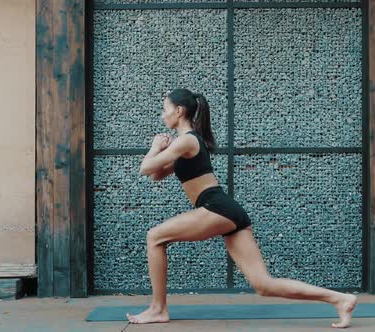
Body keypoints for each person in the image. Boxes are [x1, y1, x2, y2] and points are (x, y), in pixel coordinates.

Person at [126, 88, 358, 328]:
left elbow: (144, 169)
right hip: (226, 211)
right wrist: (162, 151)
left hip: (215, 206)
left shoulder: (187, 140)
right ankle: (341, 299)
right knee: (264, 285)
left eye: (164, 110)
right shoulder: (187, 143)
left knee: (155, 237)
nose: (162, 116)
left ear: (179, 111)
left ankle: (158, 308)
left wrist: (155, 146)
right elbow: (156, 175)